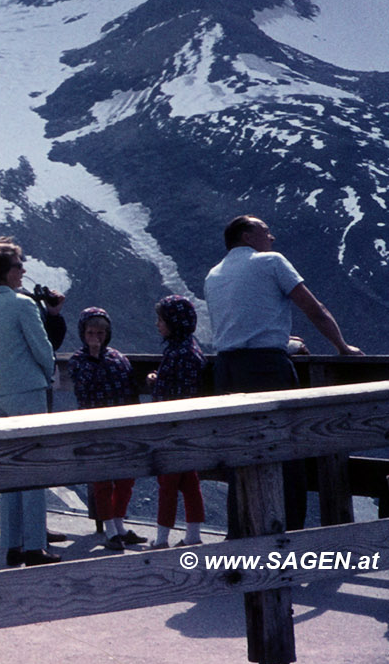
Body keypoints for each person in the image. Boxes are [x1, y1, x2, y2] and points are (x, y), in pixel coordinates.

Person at [204, 214, 362, 533]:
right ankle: (288, 538)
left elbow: (241, 325)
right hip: (266, 369)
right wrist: (343, 347)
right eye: (265, 231)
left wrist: (281, 341)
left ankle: (242, 537)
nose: (271, 237)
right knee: (287, 452)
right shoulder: (271, 262)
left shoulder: (214, 274)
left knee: (241, 454)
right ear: (247, 236)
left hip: (226, 370)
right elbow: (314, 309)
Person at [0, 236, 61, 567]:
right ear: (6, 272)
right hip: (28, 393)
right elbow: (41, 348)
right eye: (19, 265)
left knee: (8, 473)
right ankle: (35, 545)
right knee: (34, 471)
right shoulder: (23, 304)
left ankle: (11, 545)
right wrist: (47, 372)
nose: (23, 271)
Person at [69, 307, 146, 550]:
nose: (96, 337)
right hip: (94, 427)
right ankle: (111, 529)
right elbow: (82, 389)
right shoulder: (78, 361)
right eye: (91, 332)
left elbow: (131, 390)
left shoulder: (118, 358)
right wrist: (93, 355)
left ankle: (119, 523)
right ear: (83, 332)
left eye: (101, 332)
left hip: (122, 425)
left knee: (125, 478)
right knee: (102, 480)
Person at [147, 295, 207, 549]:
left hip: (171, 429)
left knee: (167, 484)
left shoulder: (177, 353)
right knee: (191, 482)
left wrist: (155, 383)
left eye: (161, 319)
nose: (158, 324)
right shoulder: (190, 348)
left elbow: (167, 393)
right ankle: (193, 534)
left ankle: (161, 539)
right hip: (190, 427)